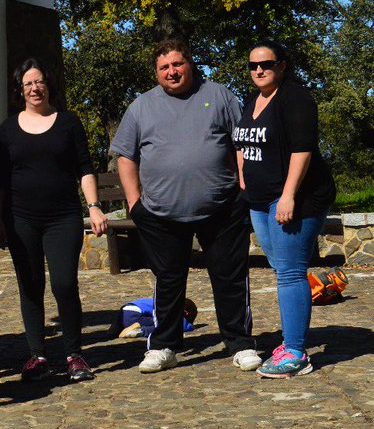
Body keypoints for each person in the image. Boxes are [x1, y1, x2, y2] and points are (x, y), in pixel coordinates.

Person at [109, 39, 260, 374]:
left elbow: (242, 143)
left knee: (231, 277)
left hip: (222, 208)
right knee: (168, 279)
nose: (172, 72)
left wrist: (244, 188)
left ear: (190, 64)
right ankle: (164, 346)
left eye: (177, 64)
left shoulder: (219, 96)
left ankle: (240, 344)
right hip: (162, 214)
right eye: (164, 67)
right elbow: (126, 156)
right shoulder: (141, 107)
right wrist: (134, 203)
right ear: (156, 72)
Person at [0, 59, 107, 382]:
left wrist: (95, 206)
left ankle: (74, 354)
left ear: (48, 85)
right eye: (28, 83)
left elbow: (84, 168)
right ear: (20, 90)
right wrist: (2, 220)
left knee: (63, 283)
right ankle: (37, 356)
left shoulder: (68, 122)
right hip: (21, 218)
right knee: (30, 286)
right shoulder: (8, 128)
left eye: (39, 81)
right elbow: (2, 180)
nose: (35, 88)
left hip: (63, 217)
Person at [234, 41, 335, 378]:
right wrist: (243, 178)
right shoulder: (253, 101)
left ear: (283, 65)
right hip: (259, 200)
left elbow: (303, 149)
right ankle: (292, 340)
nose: (259, 70)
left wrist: (289, 195)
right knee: (281, 267)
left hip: (295, 197)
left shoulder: (295, 99)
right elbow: (242, 142)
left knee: (290, 271)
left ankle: (296, 352)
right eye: (252, 65)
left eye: (266, 63)